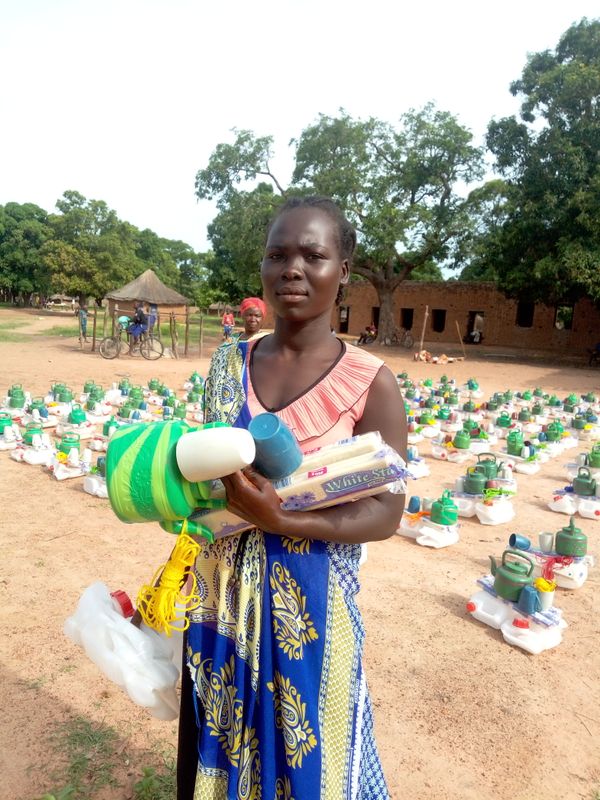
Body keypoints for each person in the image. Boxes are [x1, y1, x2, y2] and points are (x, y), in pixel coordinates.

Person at [177, 196, 407, 799]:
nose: (292, 269)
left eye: (313, 254)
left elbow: (386, 513)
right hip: (221, 597)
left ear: (344, 271)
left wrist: (281, 518)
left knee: (310, 762)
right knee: (221, 742)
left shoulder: (370, 383)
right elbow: (203, 482)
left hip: (312, 611)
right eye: (278, 254)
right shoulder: (229, 364)